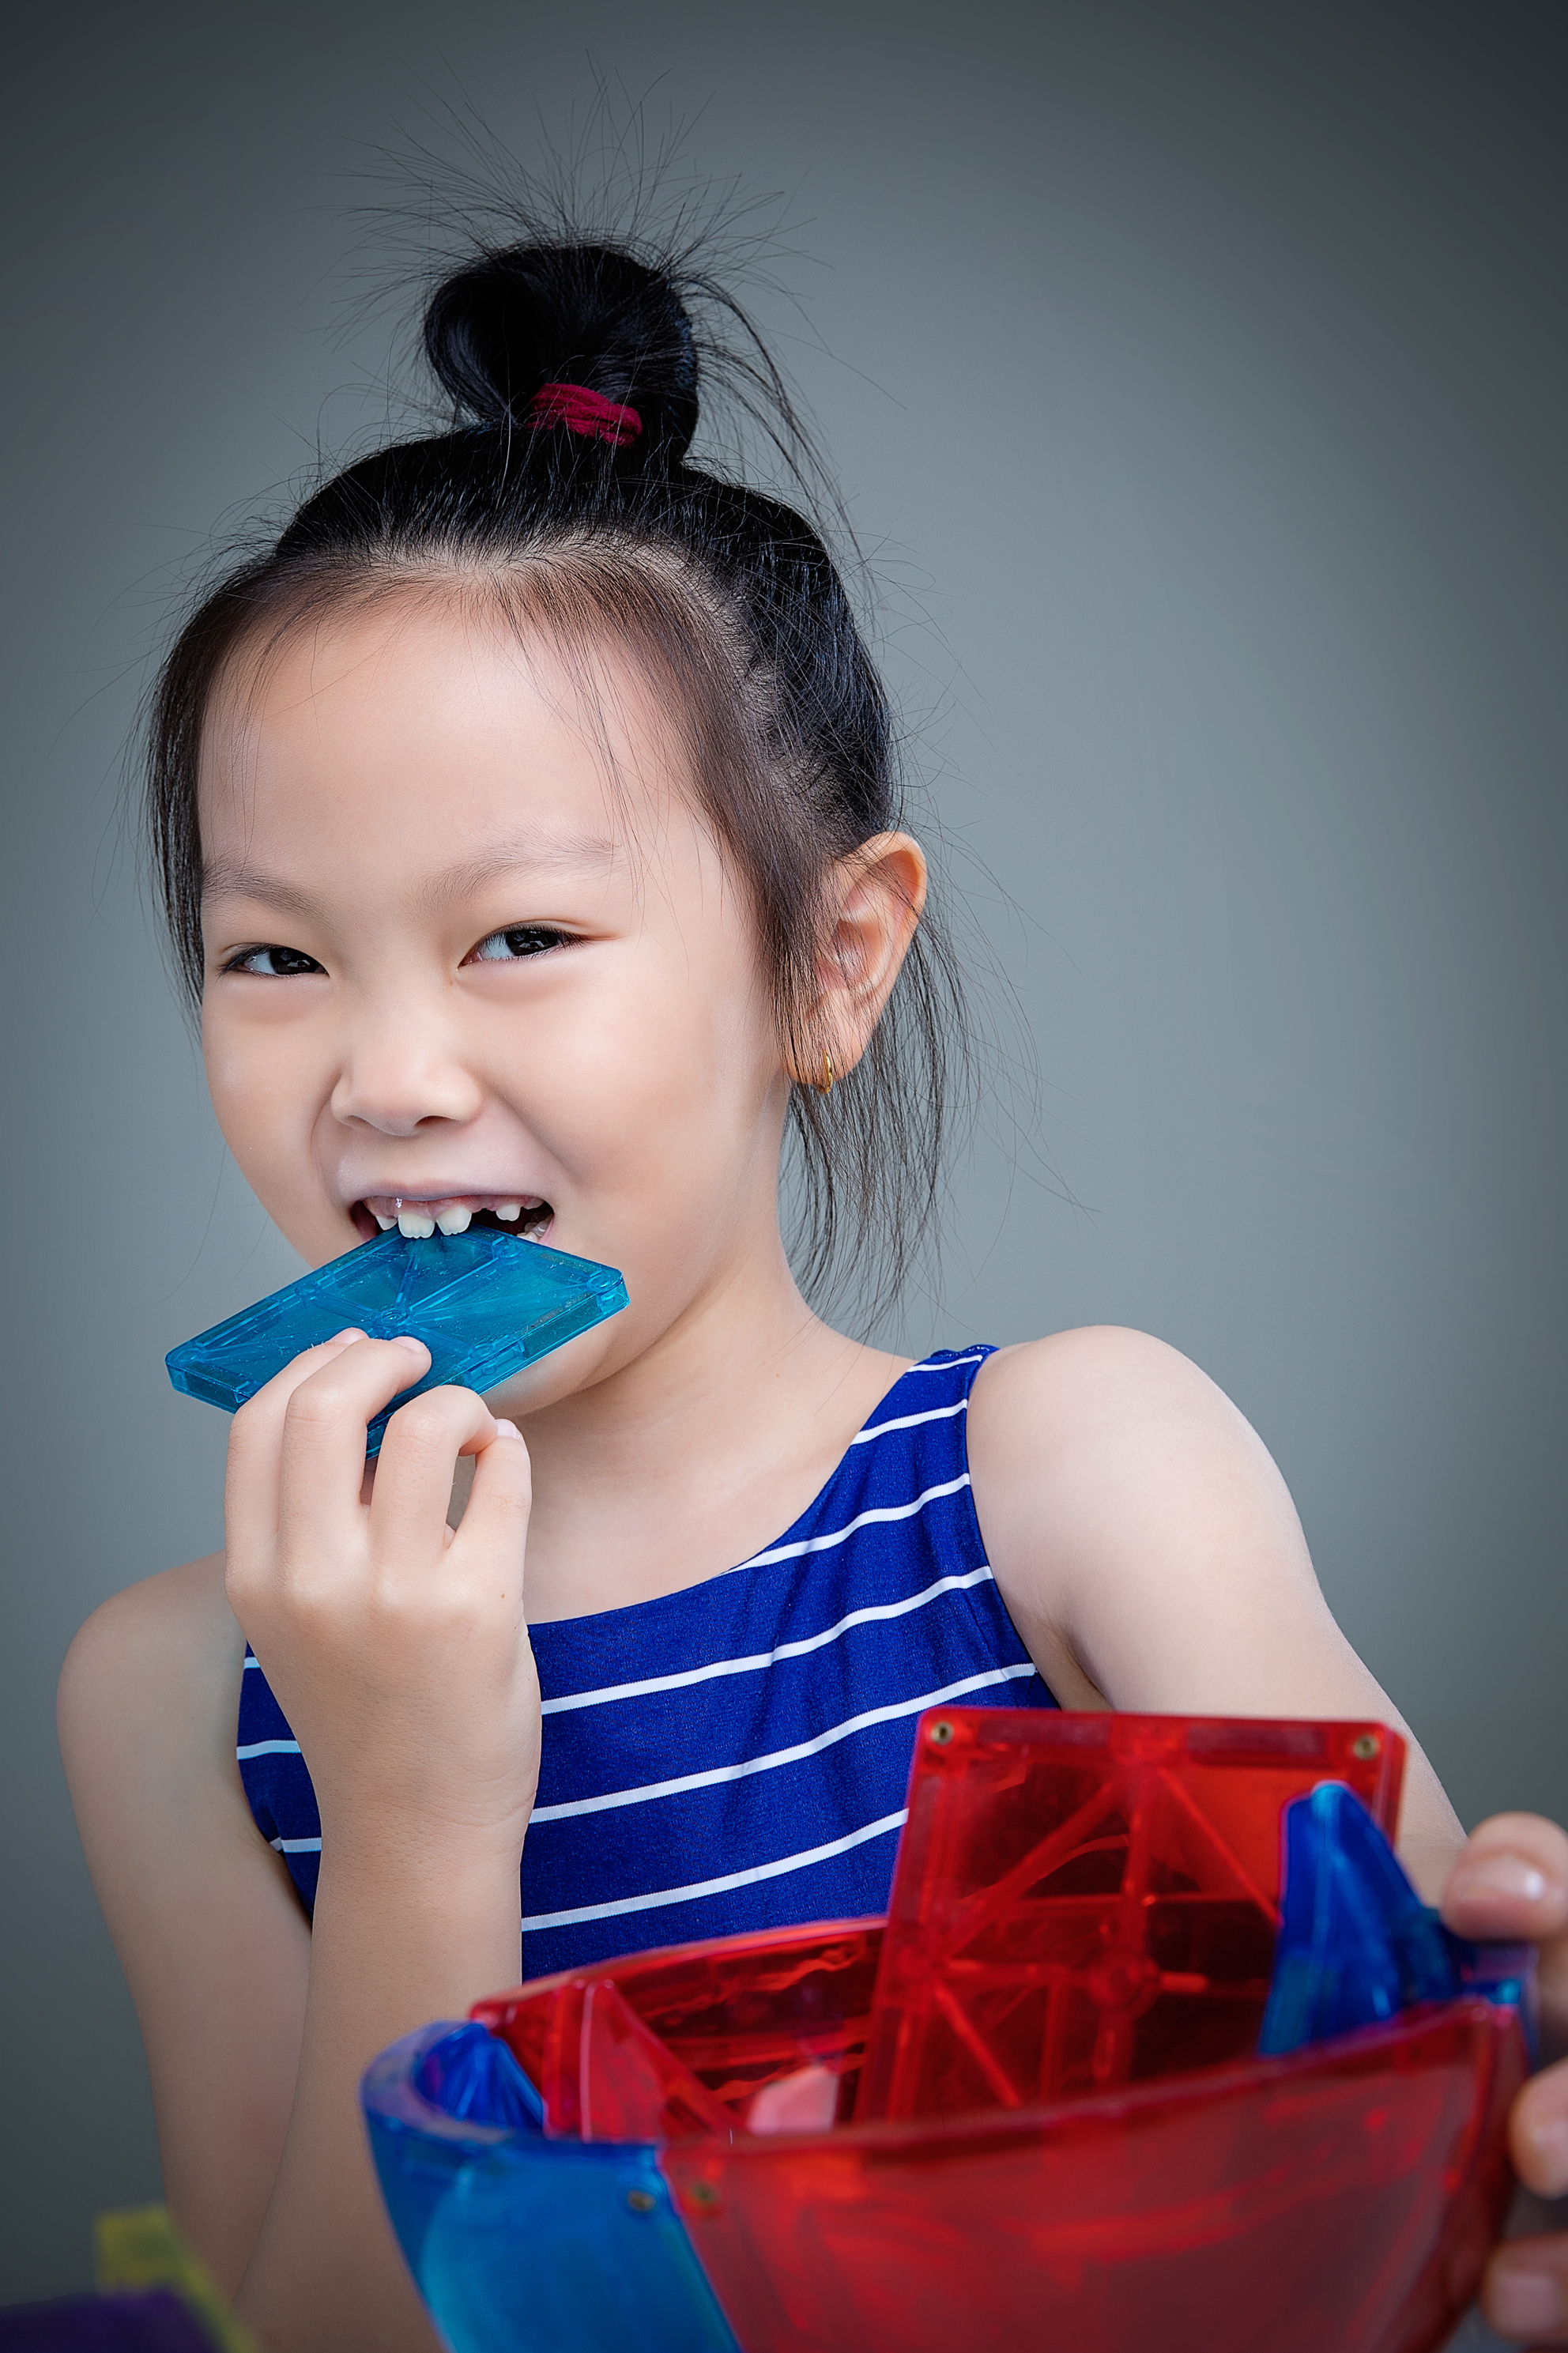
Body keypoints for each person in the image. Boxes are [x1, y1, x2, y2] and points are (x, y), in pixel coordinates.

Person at [56, 235, 1568, 2353]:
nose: (386, 1079)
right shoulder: (177, 1697)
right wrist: (408, 1804)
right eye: (274, 956)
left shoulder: (1066, 1482)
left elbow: (1411, 2127)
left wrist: (1513, 2068)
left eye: (520, 938)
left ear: (832, 966)